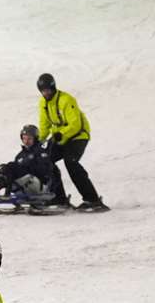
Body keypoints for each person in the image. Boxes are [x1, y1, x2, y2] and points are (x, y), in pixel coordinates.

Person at [36, 73, 106, 211]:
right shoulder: (43, 104)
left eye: (48, 90)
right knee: (45, 161)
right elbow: (44, 126)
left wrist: (61, 134)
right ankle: (59, 198)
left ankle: (93, 200)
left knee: (71, 162)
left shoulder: (66, 100)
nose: (46, 93)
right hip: (60, 137)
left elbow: (75, 124)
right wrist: (37, 142)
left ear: (54, 87)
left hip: (78, 136)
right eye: (43, 91)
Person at [0, 125, 64, 205]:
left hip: (39, 185)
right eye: (24, 138)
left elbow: (44, 171)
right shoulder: (20, 156)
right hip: (25, 185)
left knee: (11, 166)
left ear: (35, 138)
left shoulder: (41, 151)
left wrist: (25, 169)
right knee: (5, 168)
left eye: (29, 139)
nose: (26, 141)